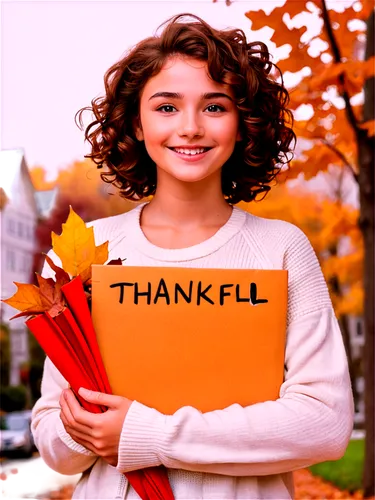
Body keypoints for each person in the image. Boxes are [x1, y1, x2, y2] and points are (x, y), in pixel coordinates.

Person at [31, 12, 354, 500]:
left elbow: (325, 423)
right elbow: (54, 443)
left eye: (214, 107)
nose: (190, 127)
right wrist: (84, 430)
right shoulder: (86, 250)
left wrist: (148, 434)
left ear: (243, 123)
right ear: (136, 123)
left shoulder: (280, 249)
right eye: (166, 107)